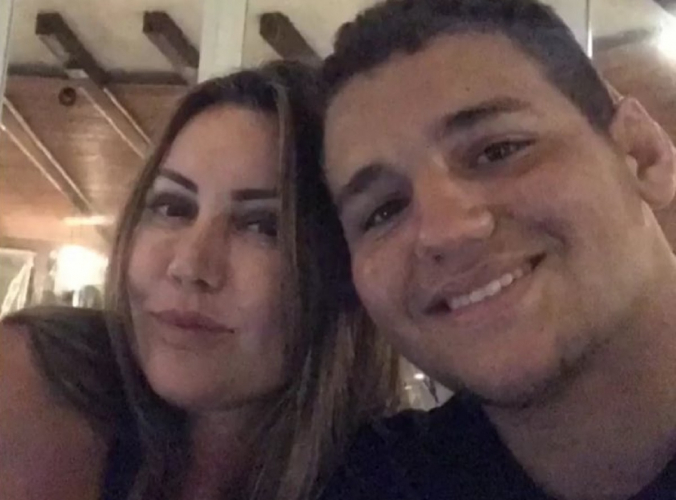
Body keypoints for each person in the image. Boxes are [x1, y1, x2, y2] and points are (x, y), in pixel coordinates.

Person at [316, 0, 676, 498]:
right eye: (383, 211)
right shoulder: (377, 480)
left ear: (641, 154)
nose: (445, 230)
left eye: (498, 151)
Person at [0, 61, 400, 500]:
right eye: (173, 208)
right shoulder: (45, 378)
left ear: (342, 268)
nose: (190, 265)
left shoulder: (401, 476)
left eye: (261, 226)